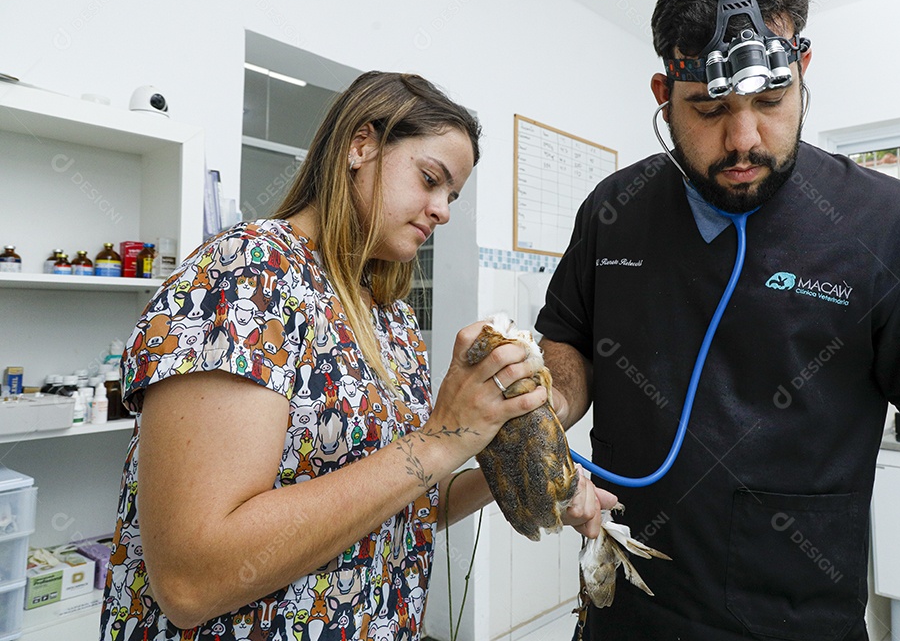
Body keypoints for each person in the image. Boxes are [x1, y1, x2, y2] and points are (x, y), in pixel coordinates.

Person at [536, 0, 900, 641]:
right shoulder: (612, 210)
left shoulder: (890, 224)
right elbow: (568, 338)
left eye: (772, 101)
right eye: (709, 112)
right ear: (664, 96)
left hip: (797, 619)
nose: (744, 140)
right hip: (627, 610)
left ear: (803, 69)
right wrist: (551, 403)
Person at [100, 71, 610, 641]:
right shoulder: (248, 276)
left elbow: (405, 505)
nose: (441, 210)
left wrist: (514, 462)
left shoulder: (388, 316)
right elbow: (194, 580)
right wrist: (443, 436)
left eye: (452, 195)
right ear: (360, 145)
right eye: (430, 179)